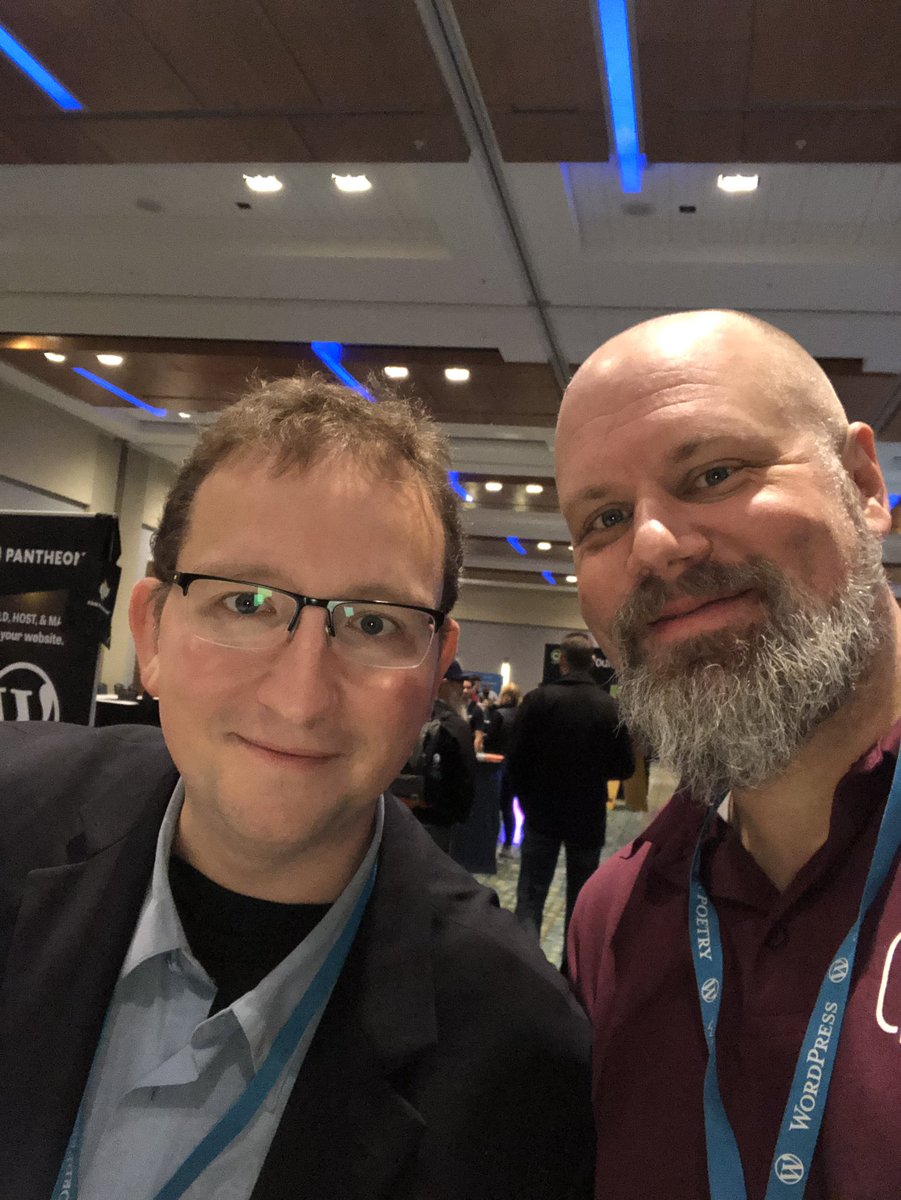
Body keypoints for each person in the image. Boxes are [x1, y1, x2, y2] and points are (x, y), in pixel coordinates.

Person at [0, 375, 595, 1200]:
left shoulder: (518, 1054)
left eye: (374, 623)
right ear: (152, 633)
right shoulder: (12, 809)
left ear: (434, 671)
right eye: (245, 603)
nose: (299, 699)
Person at [557, 309, 901, 1199]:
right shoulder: (611, 920)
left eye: (713, 473)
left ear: (863, 483)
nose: (654, 545)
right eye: (604, 518)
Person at [506, 634, 634, 957]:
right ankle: (572, 973)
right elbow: (625, 767)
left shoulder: (538, 701)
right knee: (581, 901)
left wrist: (525, 798)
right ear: (592, 662)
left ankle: (528, 969)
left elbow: (516, 759)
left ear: (562, 660)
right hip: (588, 815)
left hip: (541, 813)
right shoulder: (610, 708)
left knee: (531, 896)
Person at [393, 659, 477, 852]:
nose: (461, 690)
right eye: (457, 684)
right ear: (443, 683)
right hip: (436, 823)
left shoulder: (401, 715)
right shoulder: (455, 726)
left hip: (395, 817)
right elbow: (465, 785)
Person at [484, 682, 523, 855]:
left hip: (497, 766)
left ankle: (490, 844)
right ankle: (508, 845)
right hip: (516, 766)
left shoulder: (499, 714)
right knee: (509, 808)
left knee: (493, 807)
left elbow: (491, 739)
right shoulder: (522, 715)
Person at [462, 673, 486, 751]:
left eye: (468, 688)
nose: (465, 691)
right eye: (463, 687)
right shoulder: (452, 706)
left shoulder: (476, 710)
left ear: (473, 689)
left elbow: (478, 736)